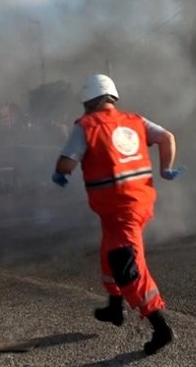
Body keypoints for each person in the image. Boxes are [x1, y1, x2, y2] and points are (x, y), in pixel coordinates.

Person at [53, 73, 184, 356]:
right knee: (108, 253)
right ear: (112, 98)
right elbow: (167, 138)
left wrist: (59, 173)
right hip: (138, 203)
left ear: (88, 102)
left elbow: (66, 163)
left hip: (120, 209)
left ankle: (160, 326)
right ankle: (115, 307)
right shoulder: (136, 121)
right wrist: (165, 169)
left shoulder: (86, 126)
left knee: (127, 267)